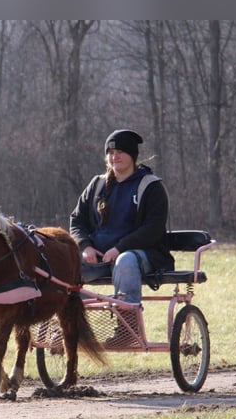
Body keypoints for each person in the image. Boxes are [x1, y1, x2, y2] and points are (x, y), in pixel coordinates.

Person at [69, 129, 173, 313]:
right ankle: (68, 324)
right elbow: (77, 220)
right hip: (98, 258)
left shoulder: (151, 186)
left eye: (120, 152)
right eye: (110, 153)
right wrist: (85, 246)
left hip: (141, 255)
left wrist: (119, 249)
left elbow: (153, 229)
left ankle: (127, 326)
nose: (114, 157)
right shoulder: (97, 184)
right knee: (60, 261)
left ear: (132, 155)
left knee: (125, 261)